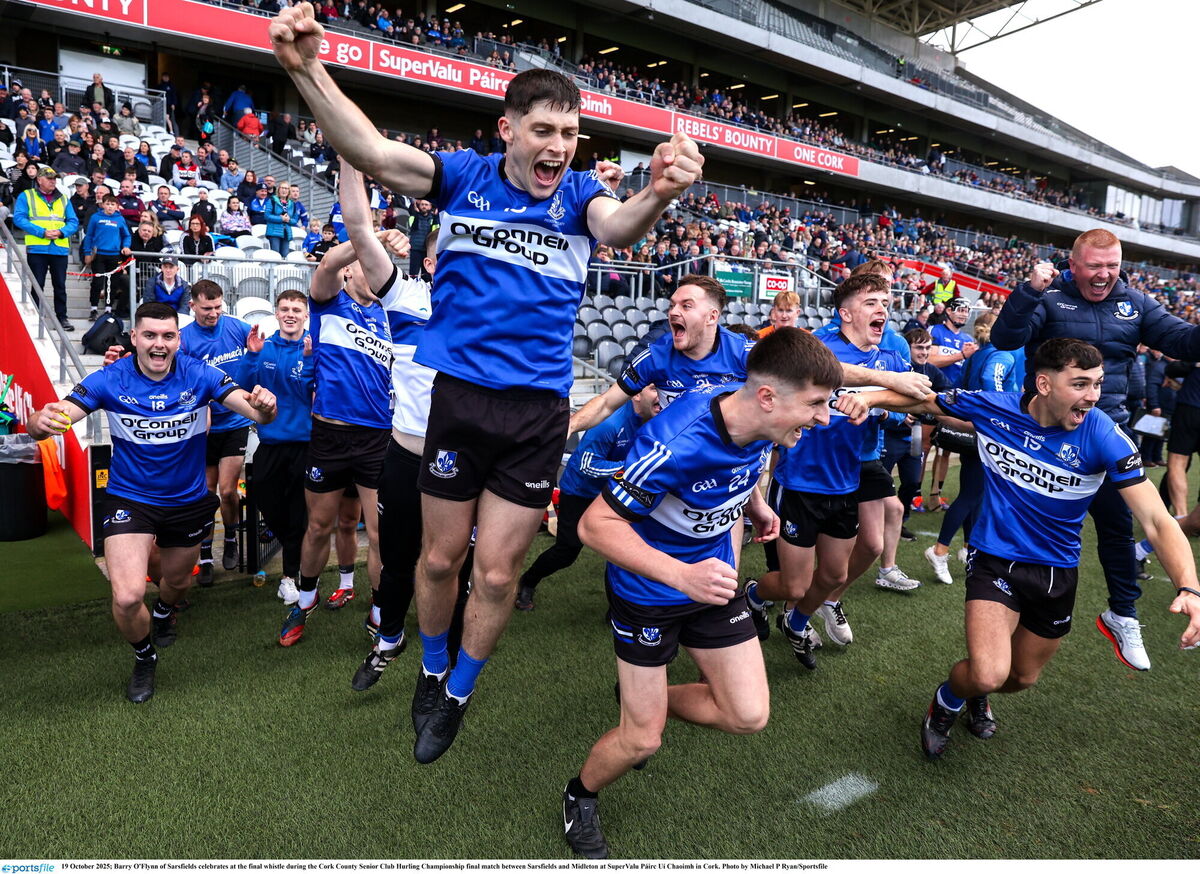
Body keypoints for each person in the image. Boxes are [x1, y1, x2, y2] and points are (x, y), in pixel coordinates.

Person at [270, 5, 706, 765]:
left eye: (570, 135)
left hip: (537, 413)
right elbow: (371, 152)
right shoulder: (462, 180)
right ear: (507, 129)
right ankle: (432, 670)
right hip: (461, 402)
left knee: (498, 573)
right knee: (438, 563)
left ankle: (459, 691)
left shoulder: (579, 201)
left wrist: (662, 191)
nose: (559, 148)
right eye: (544, 131)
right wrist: (307, 69)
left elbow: (621, 226)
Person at [561, 329, 843, 858]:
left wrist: (754, 503)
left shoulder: (762, 419)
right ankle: (580, 793)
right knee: (642, 740)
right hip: (649, 593)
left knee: (748, 715)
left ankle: (644, 701)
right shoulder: (675, 442)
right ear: (767, 397)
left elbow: (745, 461)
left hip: (711, 584)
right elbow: (595, 526)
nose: (823, 417)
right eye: (815, 404)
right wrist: (681, 575)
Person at [854, 338, 1200, 760]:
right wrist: (863, 397)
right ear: (1044, 384)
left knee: (1020, 678)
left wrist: (1189, 585)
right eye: (1080, 384)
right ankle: (947, 701)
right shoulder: (994, 406)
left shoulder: (1106, 436)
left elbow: (1158, 521)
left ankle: (980, 694)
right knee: (986, 671)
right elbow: (924, 401)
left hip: (1056, 572)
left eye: (1097, 384)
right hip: (993, 557)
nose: (1092, 396)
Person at [25, 301, 277, 703]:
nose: (159, 345)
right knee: (126, 597)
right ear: (134, 338)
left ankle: (164, 612)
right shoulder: (110, 378)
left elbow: (255, 412)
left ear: (178, 338)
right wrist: (40, 422)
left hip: (189, 501)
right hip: (131, 499)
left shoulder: (200, 373)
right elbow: (55, 418)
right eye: (150, 335)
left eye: (168, 336)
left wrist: (266, 408)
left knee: (177, 583)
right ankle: (145, 657)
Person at [992, 228, 1200, 672]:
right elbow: (1006, 339)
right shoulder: (1049, 299)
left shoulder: (1138, 304)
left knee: (1117, 526)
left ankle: (1123, 613)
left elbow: (1182, 340)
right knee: (1024, 534)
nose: (1104, 274)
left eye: (1112, 265)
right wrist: (1028, 291)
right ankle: (994, 625)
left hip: (1104, 434)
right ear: (1073, 265)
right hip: (1044, 437)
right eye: (1094, 266)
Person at [744, 274, 911, 668]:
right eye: (871, 302)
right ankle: (753, 594)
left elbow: (910, 400)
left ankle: (797, 620)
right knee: (793, 583)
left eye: (885, 302)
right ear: (846, 313)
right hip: (800, 482)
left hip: (847, 482)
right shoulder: (819, 348)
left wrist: (877, 406)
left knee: (835, 577)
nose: (882, 310)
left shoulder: (890, 356)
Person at [278, 159, 399, 647]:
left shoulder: (395, 314)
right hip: (328, 436)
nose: (370, 272)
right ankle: (304, 601)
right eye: (363, 265)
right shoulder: (329, 303)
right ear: (351, 270)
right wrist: (370, 240)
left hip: (378, 439)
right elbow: (325, 263)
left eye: (375, 266)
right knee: (319, 528)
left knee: (380, 533)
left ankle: (377, 610)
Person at [516, 386, 661, 612]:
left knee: (622, 550)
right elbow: (587, 464)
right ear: (636, 394)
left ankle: (618, 610)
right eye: (653, 389)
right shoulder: (610, 423)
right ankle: (528, 581)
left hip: (614, 492)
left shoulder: (656, 418)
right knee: (567, 551)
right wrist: (629, 469)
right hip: (580, 490)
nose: (660, 394)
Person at [923, 312, 1018, 585]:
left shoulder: (977, 354)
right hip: (986, 433)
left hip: (973, 432)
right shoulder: (1001, 354)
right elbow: (992, 383)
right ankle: (940, 550)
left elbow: (960, 389)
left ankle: (968, 548)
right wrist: (1000, 417)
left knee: (974, 494)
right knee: (971, 495)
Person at [239, 291, 315, 607]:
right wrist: (252, 354)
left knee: (299, 514)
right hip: (269, 443)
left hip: (304, 445)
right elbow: (240, 386)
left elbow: (314, 392)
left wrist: (310, 362)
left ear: (305, 314)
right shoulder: (265, 346)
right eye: (285, 308)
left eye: (296, 309)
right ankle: (299, 552)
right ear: (276, 312)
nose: (290, 314)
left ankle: (289, 578)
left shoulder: (313, 347)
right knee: (268, 505)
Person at [180, 282, 253, 583]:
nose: (213, 313)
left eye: (218, 307)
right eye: (207, 308)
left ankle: (232, 538)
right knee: (207, 494)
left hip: (235, 421)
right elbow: (181, 378)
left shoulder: (237, 327)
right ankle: (206, 554)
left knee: (227, 490)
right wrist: (203, 404)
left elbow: (260, 355)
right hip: (204, 426)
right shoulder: (183, 338)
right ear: (193, 306)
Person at [14, 166, 79, 330]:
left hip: (59, 248)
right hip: (37, 248)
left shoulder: (64, 198)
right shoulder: (26, 196)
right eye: (49, 178)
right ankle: (35, 315)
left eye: (54, 178)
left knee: (60, 286)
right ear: (39, 180)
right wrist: (42, 232)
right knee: (37, 284)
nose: (53, 181)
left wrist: (61, 232)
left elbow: (73, 222)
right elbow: (19, 219)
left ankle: (62, 318)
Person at [81, 193, 132, 320]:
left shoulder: (120, 219)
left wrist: (126, 246)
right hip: (98, 254)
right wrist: (87, 253)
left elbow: (126, 235)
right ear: (103, 205)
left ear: (117, 206)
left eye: (112, 204)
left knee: (112, 283)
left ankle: (108, 308)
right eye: (107, 204)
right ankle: (93, 308)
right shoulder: (95, 217)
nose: (110, 206)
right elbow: (89, 236)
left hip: (114, 255)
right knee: (97, 282)